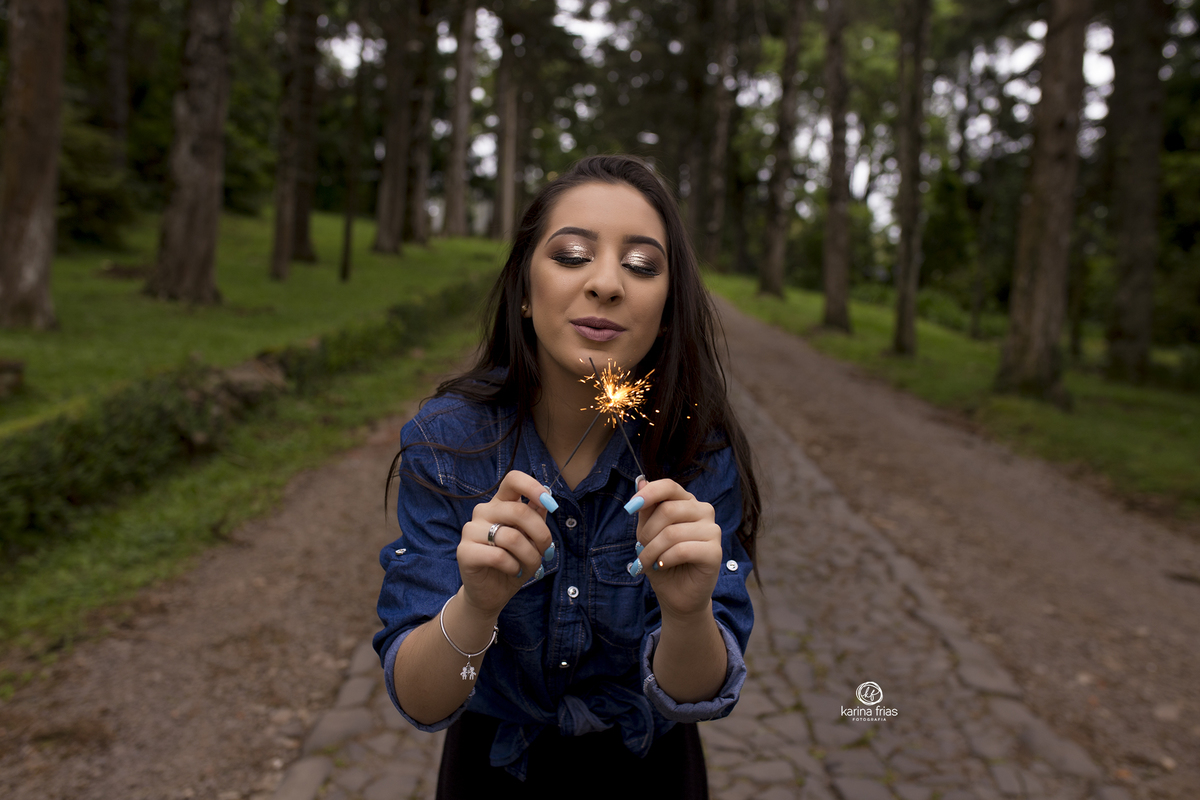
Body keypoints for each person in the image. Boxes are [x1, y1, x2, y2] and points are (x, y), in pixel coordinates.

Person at [373, 155, 761, 798]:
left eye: (641, 265)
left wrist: (688, 613)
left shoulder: (698, 453)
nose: (607, 283)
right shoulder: (449, 442)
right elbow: (420, 700)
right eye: (573, 255)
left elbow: (697, 694)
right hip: (491, 773)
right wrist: (477, 604)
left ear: (666, 310)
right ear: (524, 291)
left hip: (652, 772)